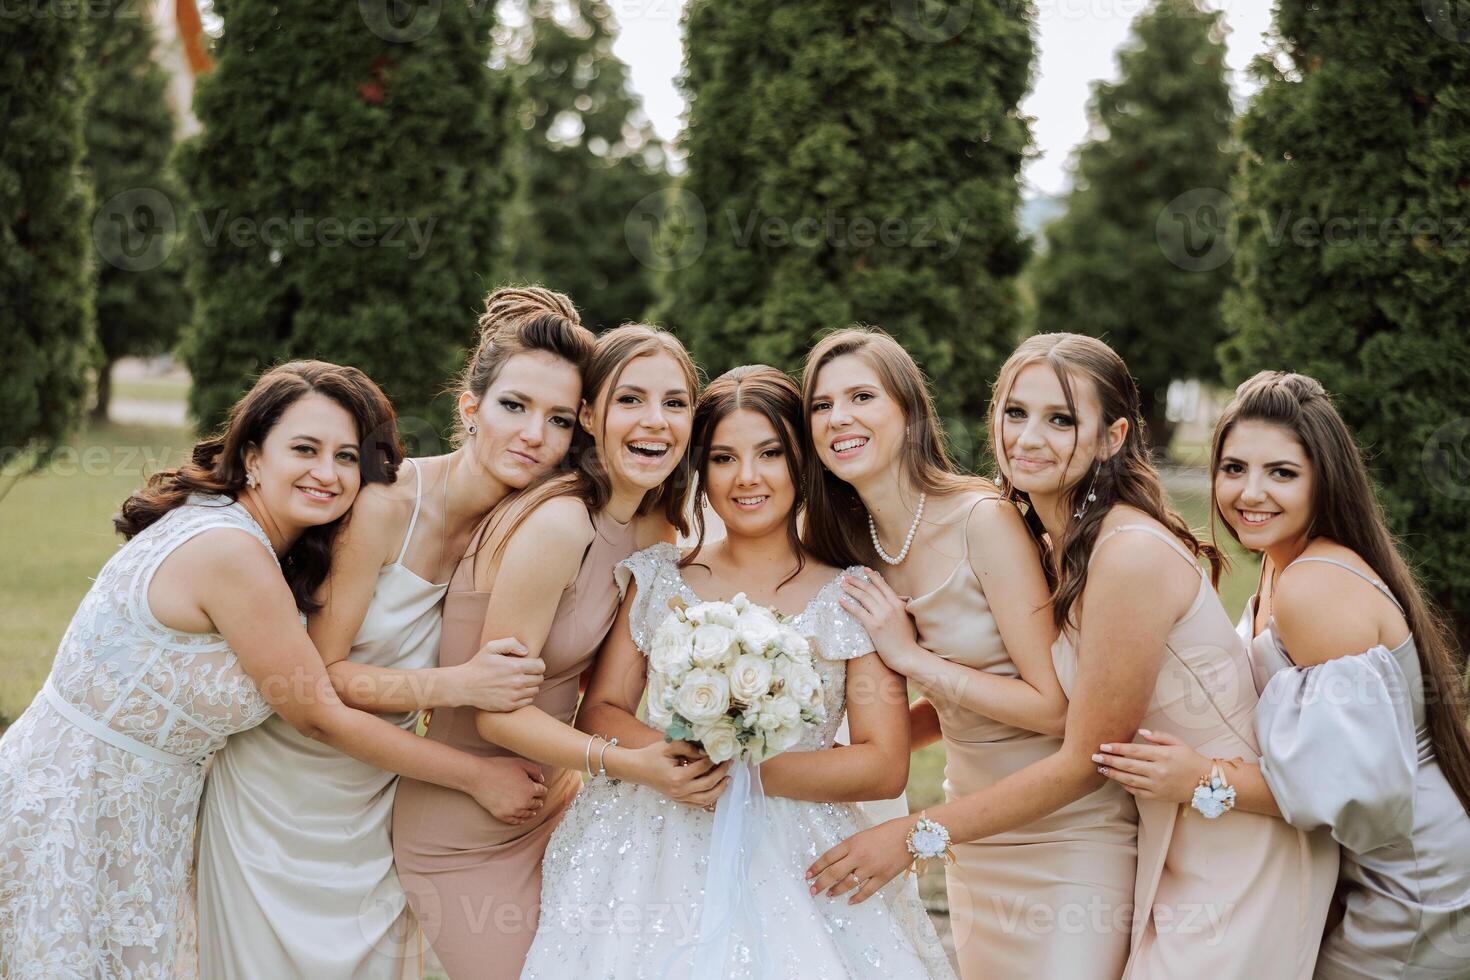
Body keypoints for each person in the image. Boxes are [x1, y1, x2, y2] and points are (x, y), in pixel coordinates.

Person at [810, 334, 1336, 979]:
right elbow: (994, 687)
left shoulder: (1124, 551)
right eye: (1015, 413)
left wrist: (914, 828)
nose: (1029, 437)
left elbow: (1082, 754)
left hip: (1227, 836)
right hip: (1149, 825)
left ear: (1113, 436)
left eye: (1060, 419)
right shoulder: (1058, 536)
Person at [0, 362, 502, 977]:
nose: (327, 472)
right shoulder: (230, 550)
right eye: (304, 449)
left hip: (143, 809)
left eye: (347, 457)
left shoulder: (254, 538)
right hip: (78, 803)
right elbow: (319, 715)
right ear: (253, 456)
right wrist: (476, 776)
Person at [194, 289, 594, 978]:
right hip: (283, 793)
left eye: (558, 419)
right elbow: (321, 679)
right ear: (470, 409)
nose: (533, 434)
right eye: (514, 406)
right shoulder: (385, 505)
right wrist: (458, 687)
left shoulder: (534, 529)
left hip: (382, 792)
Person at [520, 364, 953, 978]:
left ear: (801, 463)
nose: (747, 478)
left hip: (799, 845)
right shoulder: (660, 577)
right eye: (723, 458)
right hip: (655, 833)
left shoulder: (852, 595)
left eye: (770, 454)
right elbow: (604, 709)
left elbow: (883, 765)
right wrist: (676, 762)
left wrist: (741, 770)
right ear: (699, 470)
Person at [1094, 370, 1470, 979]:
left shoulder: (1315, 586)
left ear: (1326, 481)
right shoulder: (1282, 566)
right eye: (1234, 468)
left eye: (1282, 473)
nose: (1250, 492)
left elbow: (1350, 790)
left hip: (1411, 880)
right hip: (1360, 864)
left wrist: (1198, 779)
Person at [800, 327, 1125, 976]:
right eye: (820, 404)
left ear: (909, 412)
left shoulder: (982, 520)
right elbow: (962, 703)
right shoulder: (850, 540)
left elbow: (1055, 709)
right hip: (971, 828)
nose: (839, 418)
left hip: (1066, 823)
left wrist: (914, 660)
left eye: (862, 396)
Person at [392, 324, 711, 979]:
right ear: (590, 416)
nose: (655, 421)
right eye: (631, 400)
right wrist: (632, 763)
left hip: (561, 813)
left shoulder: (653, 527)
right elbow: (496, 713)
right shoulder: (559, 524)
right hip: (465, 829)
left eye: (675, 403)